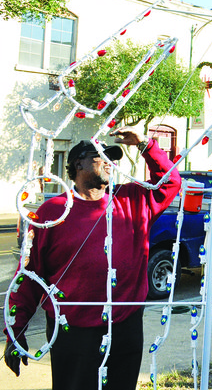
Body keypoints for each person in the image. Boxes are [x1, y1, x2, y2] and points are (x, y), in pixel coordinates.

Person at [3, 128, 180, 390]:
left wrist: (144, 144)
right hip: (72, 331)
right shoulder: (52, 212)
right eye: (101, 156)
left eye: (112, 157)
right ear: (78, 163)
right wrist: (15, 334)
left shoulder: (132, 199)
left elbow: (170, 182)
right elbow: (28, 275)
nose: (111, 162)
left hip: (125, 325)